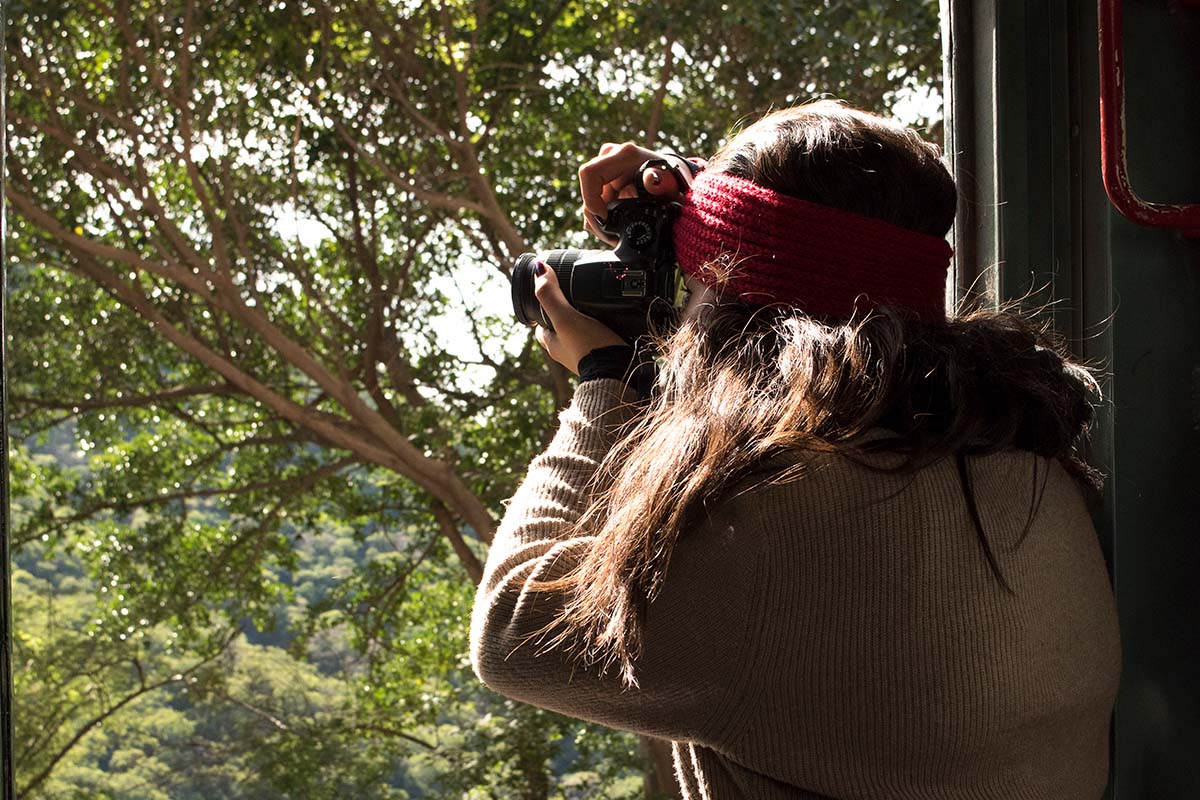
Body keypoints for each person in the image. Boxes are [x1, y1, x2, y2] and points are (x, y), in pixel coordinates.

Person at [469, 100, 1121, 799]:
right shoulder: (1028, 467)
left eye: (694, 290)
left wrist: (605, 383)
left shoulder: (773, 523)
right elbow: (830, 247)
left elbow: (513, 632)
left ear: (731, 322)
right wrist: (697, 194)